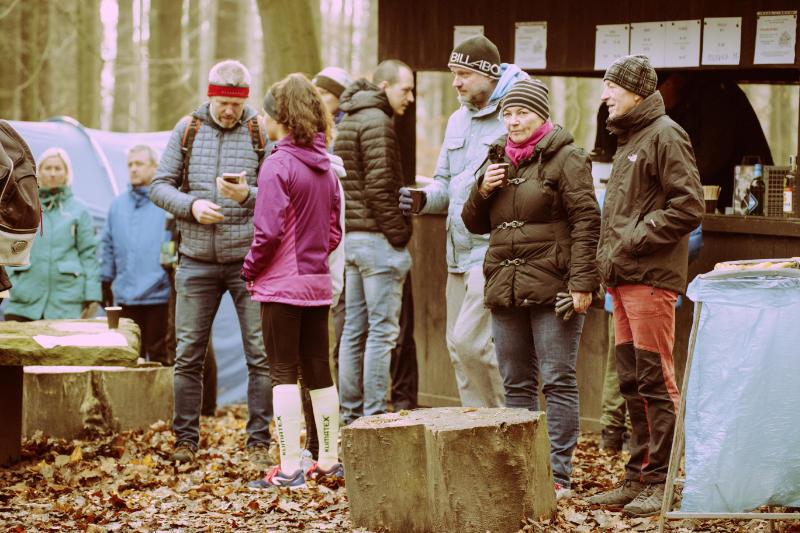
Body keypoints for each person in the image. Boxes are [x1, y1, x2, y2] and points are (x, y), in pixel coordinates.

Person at [461, 79, 601, 499]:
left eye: (521, 113)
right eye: (507, 113)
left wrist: (582, 283)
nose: (513, 121)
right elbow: (473, 223)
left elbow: (587, 222)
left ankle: (558, 474)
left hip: (555, 287)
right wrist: (483, 189)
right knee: (516, 382)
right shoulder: (496, 157)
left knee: (557, 379)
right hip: (506, 286)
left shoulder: (568, 158)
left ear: (541, 116)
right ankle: (523, 469)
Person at [587, 55, 704, 517]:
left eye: (611, 87)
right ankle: (637, 478)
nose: (604, 95)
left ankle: (662, 482)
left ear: (635, 91)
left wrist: (635, 238)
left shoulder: (666, 134)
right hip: (622, 279)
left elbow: (688, 206)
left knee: (656, 380)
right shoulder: (631, 138)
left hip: (651, 278)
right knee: (632, 380)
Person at [150, 59, 273, 465]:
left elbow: (278, 193)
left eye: (236, 105)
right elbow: (158, 186)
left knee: (260, 355)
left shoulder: (259, 132)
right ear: (210, 97)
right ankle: (185, 442)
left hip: (248, 262)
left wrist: (248, 196)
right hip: (196, 260)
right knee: (188, 354)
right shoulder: (187, 129)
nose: (230, 112)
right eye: (223, 104)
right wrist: (192, 206)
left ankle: (258, 444)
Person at [399, 35, 527, 408]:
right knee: (458, 347)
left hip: (492, 250)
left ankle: (503, 423)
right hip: (456, 253)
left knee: (474, 345)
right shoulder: (457, 120)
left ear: (489, 74)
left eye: (463, 74)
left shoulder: (514, 116)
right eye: (453, 73)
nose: (455, 82)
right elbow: (444, 182)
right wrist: (423, 199)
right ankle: (474, 426)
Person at [243, 73, 342, 489]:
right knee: (319, 370)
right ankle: (329, 462)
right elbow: (334, 232)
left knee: (282, 371)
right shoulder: (326, 168)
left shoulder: (277, 165)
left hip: (282, 285)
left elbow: (267, 232)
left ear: (281, 119)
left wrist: (250, 268)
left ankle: (288, 470)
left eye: (267, 114)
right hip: (317, 285)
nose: (263, 121)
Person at [334, 59, 414, 424]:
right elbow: (380, 188)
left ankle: (351, 416)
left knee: (354, 330)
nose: (410, 98)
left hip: (352, 240)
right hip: (378, 242)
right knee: (382, 333)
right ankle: (375, 418)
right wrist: (399, 235)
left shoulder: (349, 118)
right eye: (405, 89)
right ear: (384, 87)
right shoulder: (378, 122)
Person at [5, 148, 101, 321]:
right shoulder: (24, 206)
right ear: (38, 172)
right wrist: (13, 285)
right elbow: (9, 249)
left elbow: (89, 256)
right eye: (48, 168)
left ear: (67, 173)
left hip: (66, 302)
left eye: (58, 168)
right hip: (24, 300)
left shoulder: (79, 210)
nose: (53, 173)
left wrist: (92, 296)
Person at [101, 144, 171, 364]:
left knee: (159, 358)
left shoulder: (167, 204)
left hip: (159, 297)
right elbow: (108, 245)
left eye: (139, 163)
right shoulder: (117, 205)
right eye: (130, 164)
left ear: (154, 167)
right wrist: (105, 280)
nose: (133, 169)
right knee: (128, 357)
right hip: (126, 297)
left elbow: (174, 245)